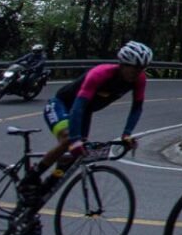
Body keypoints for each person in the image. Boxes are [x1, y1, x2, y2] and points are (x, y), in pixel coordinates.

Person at [23, 41, 152, 202]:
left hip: (84, 112)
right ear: (123, 64)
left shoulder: (139, 79)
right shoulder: (100, 74)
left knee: (76, 155)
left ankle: (48, 185)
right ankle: (31, 176)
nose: (137, 73)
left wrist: (126, 134)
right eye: (134, 68)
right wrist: (75, 140)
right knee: (69, 139)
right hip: (62, 105)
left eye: (142, 68)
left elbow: (137, 108)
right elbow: (78, 107)